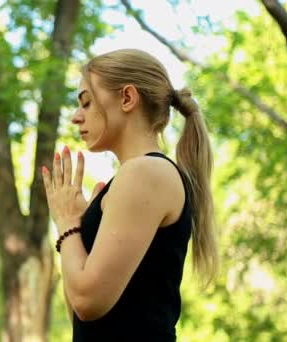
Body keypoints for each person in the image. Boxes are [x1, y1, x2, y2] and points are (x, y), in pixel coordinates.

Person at [41, 48, 218, 341]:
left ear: (127, 98)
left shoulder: (146, 173)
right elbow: (78, 312)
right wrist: (78, 236)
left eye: (86, 103)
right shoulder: (131, 179)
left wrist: (67, 225)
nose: (76, 117)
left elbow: (88, 302)